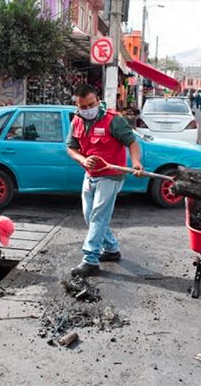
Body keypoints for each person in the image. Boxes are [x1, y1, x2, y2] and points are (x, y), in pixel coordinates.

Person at [66, 84, 144, 277]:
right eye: (83, 107)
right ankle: (111, 249)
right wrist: (84, 160)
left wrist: (135, 162)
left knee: (98, 216)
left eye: (91, 104)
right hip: (90, 175)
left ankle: (90, 259)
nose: (87, 109)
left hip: (110, 175)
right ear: (77, 105)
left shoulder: (113, 121)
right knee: (89, 216)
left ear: (98, 101)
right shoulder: (76, 121)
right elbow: (71, 148)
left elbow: (132, 142)